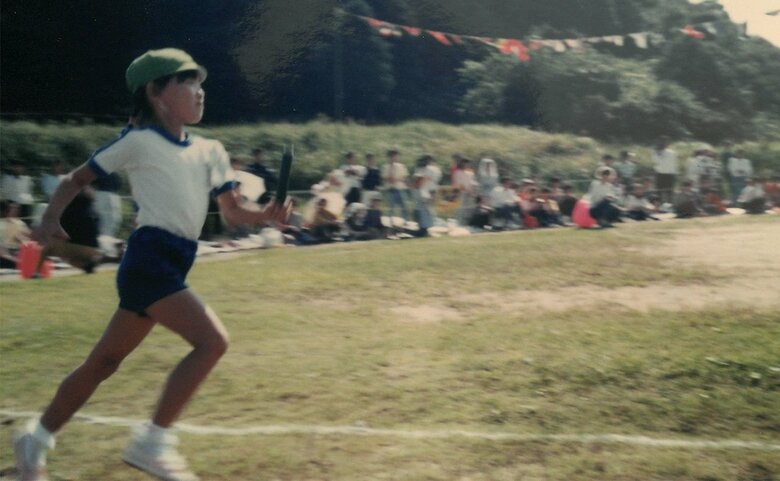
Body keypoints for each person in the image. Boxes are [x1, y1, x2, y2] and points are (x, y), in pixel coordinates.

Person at [13, 48, 291, 481]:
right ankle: (153, 442)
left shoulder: (212, 149)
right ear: (157, 92)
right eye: (189, 83)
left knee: (103, 363)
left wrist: (267, 214)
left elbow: (234, 213)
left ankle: (36, 438)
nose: (200, 93)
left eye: (201, 84)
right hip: (149, 258)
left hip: (178, 260)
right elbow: (75, 179)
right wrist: (50, 220)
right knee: (212, 342)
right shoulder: (138, 142)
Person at [0, 159, 35, 225]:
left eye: (20, 167)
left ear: (23, 168)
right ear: (12, 168)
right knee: (14, 206)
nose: (18, 169)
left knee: (27, 205)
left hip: (24, 203)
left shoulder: (27, 179)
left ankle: (26, 225)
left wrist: (28, 199)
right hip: (11, 202)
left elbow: (29, 192)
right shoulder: (7, 178)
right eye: (16, 167)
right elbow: (4, 193)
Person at [0, 200, 31, 268]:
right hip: (6, 251)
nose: (15, 210)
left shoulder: (20, 223)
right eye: (12, 208)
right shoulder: (1, 223)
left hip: (17, 250)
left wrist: (24, 240)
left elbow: (28, 236)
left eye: (16, 208)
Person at [381, 149, 409, 221]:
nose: (393, 157)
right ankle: (391, 222)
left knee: (404, 207)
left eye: (395, 156)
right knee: (390, 207)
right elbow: (384, 178)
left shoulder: (401, 166)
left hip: (400, 189)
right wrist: (390, 179)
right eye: (391, 156)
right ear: (389, 157)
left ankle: (405, 221)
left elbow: (404, 177)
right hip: (390, 189)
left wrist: (396, 179)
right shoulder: (385, 167)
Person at [651, 136, 678, 204]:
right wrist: (658, 152)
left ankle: (670, 206)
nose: (663, 143)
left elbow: (674, 165)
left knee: (670, 193)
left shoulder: (672, 153)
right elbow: (656, 162)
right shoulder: (654, 152)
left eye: (665, 142)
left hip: (669, 175)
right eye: (662, 141)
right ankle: (658, 207)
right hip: (660, 175)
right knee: (658, 192)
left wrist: (674, 175)